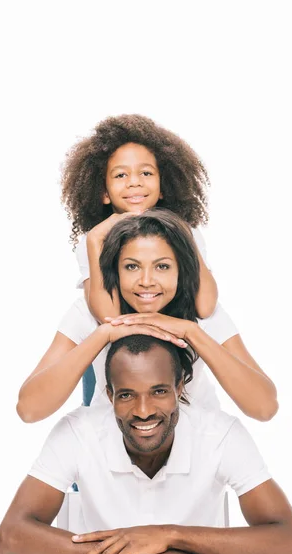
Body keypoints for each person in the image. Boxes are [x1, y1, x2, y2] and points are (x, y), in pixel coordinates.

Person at [0, 335, 292, 554]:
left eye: (159, 391)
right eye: (126, 395)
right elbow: (10, 538)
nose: (143, 411)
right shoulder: (78, 431)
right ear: (110, 396)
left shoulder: (219, 433)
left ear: (180, 388)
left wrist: (167, 535)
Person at [17, 210, 278, 423]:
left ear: (180, 271)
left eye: (162, 266)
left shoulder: (204, 317)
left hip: (197, 459)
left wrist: (192, 332)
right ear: (115, 272)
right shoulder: (86, 314)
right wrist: (105, 334)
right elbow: (29, 410)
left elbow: (264, 408)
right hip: (110, 455)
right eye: (132, 267)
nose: (146, 281)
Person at [61, 114, 218, 405]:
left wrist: (184, 233)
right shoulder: (93, 241)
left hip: (174, 356)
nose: (134, 183)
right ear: (104, 193)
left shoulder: (186, 233)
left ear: (162, 186)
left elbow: (206, 305)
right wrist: (95, 242)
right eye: (121, 175)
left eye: (146, 174)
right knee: (100, 405)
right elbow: (108, 316)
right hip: (115, 357)